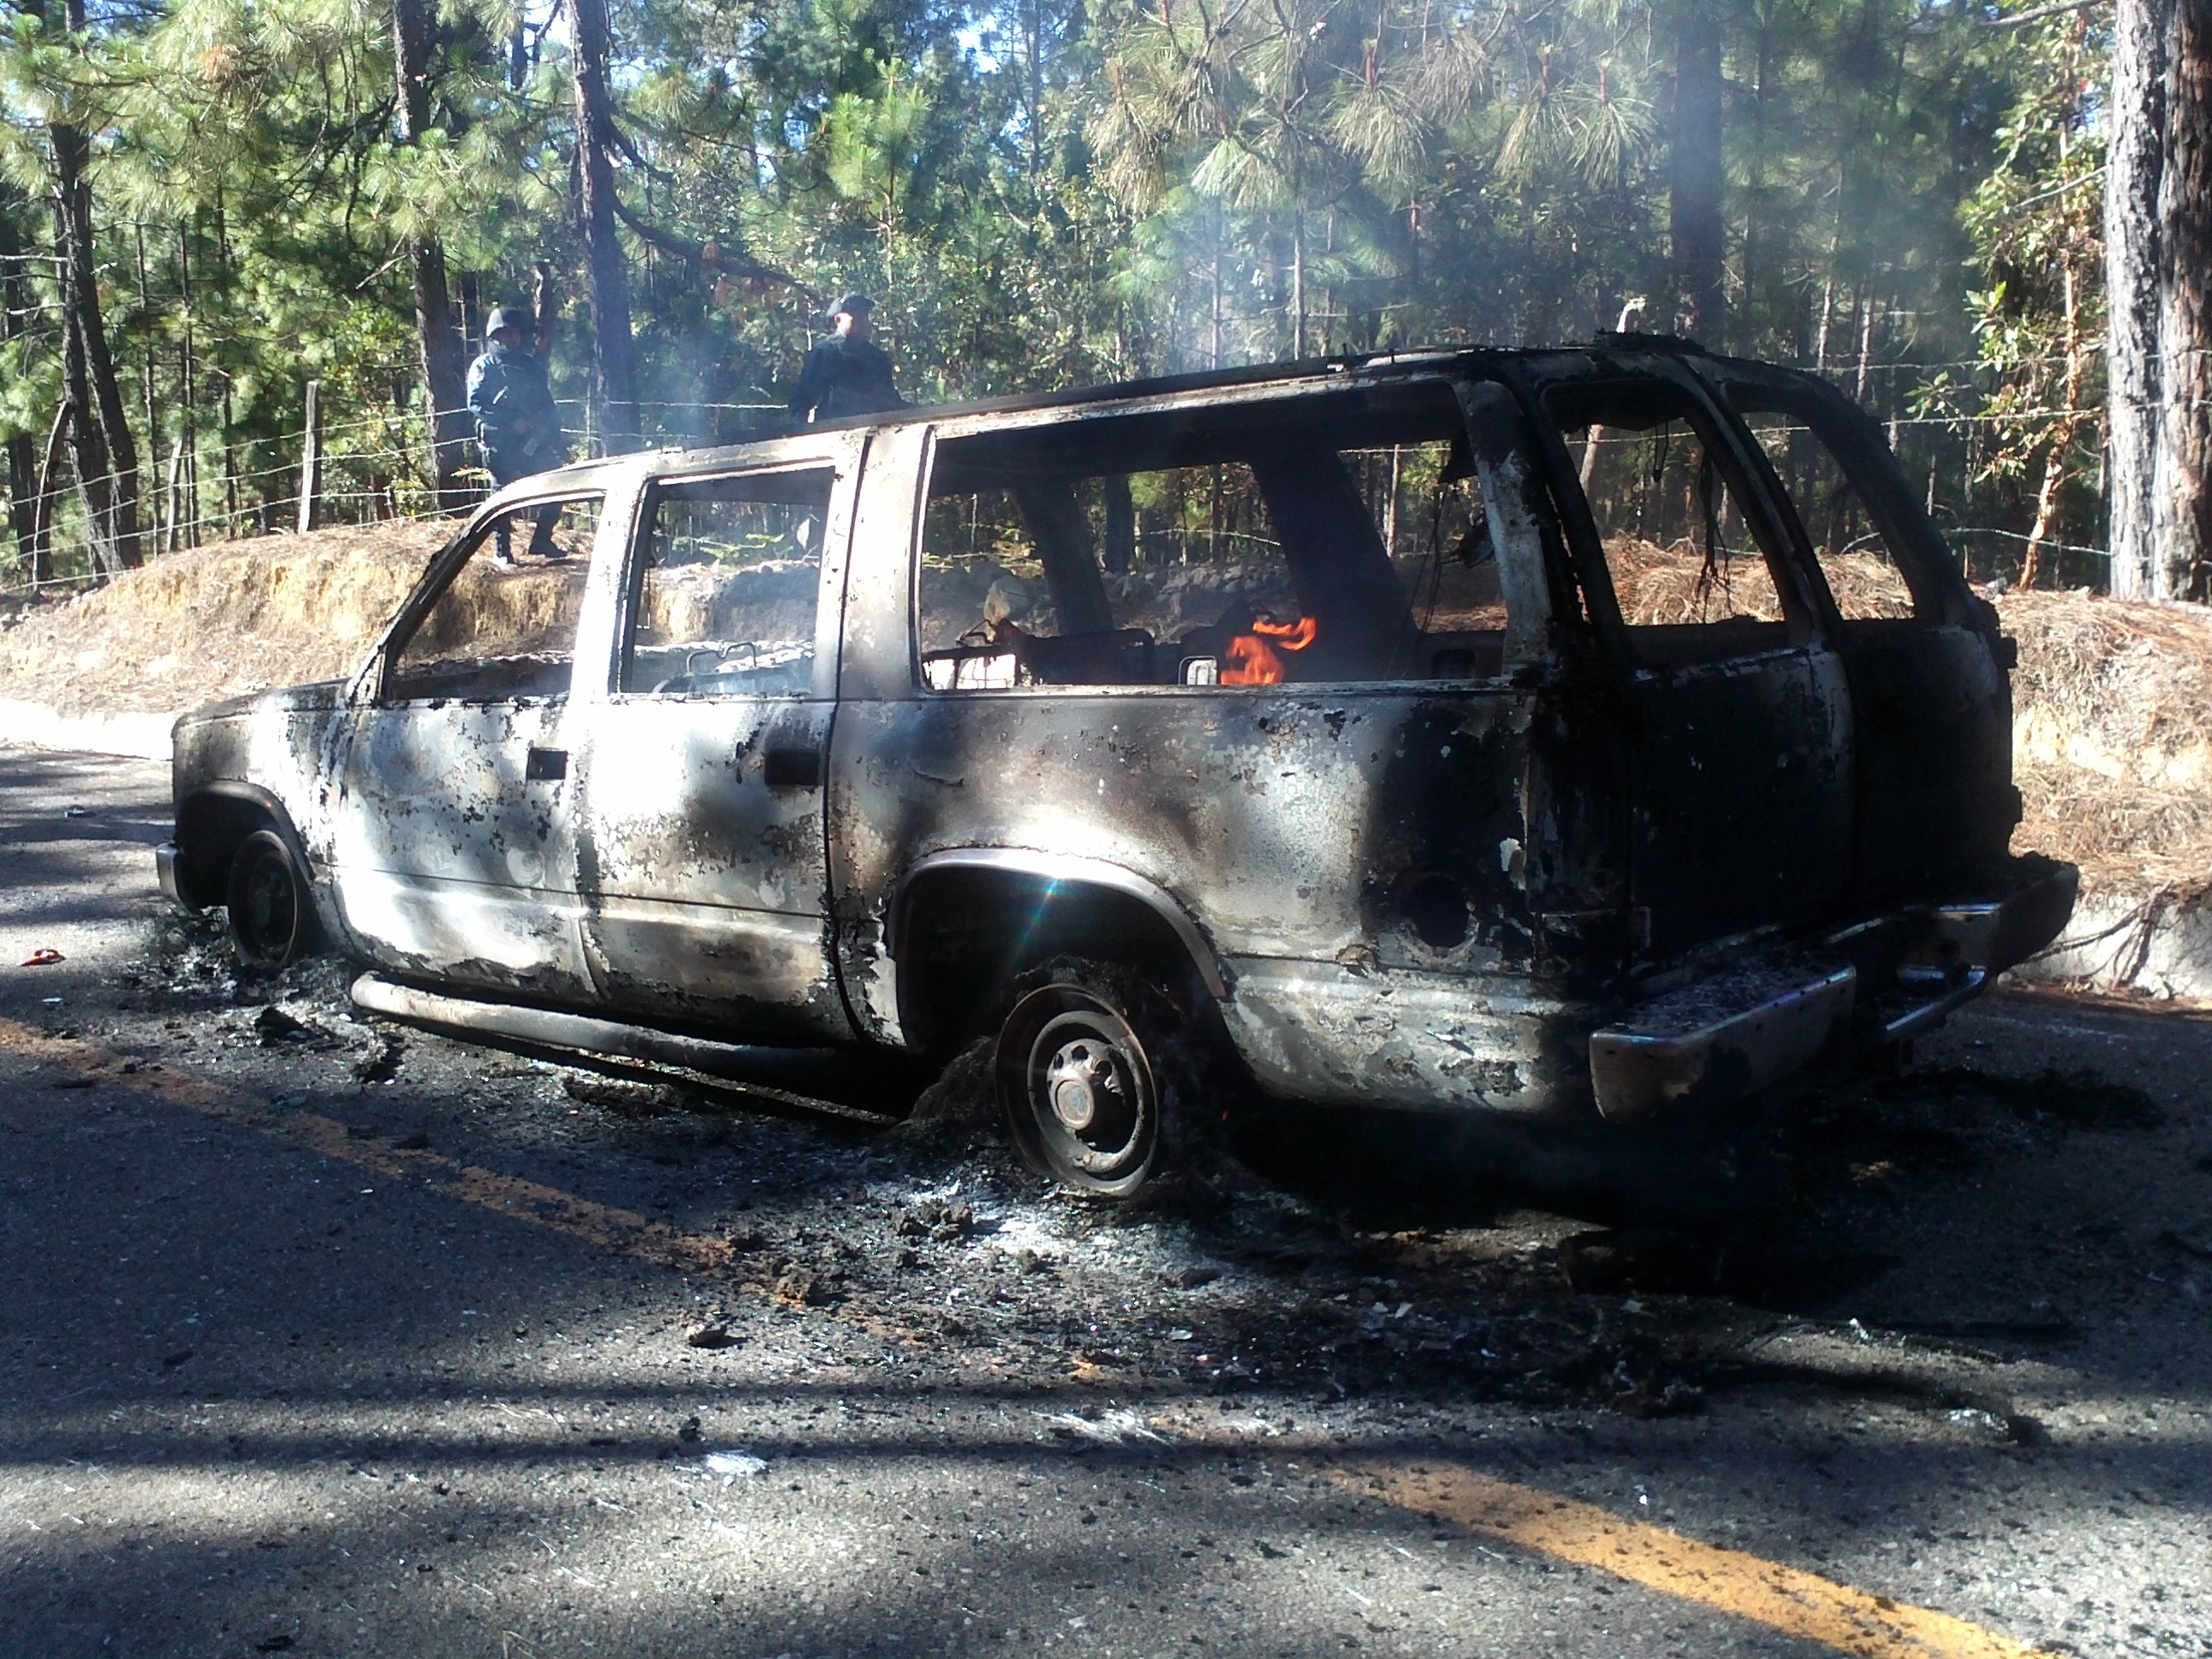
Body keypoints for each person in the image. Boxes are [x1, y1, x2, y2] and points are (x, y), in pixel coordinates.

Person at [466, 306, 568, 562]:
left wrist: (554, 431)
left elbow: (546, 402)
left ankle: (542, 539)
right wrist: (511, 422)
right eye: (507, 334)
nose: (513, 338)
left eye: (516, 333)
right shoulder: (484, 366)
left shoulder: (530, 366)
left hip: (532, 440)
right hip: (501, 441)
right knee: (503, 495)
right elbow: (476, 403)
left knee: (558, 482)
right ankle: (502, 551)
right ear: (496, 336)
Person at [788, 294, 907, 424]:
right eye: (857, 317)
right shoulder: (823, 354)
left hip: (875, 435)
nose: (864, 323)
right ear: (838, 320)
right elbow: (801, 403)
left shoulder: (877, 358)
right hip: (831, 434)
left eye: (865, 317)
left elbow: (891, 402)